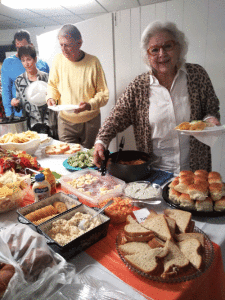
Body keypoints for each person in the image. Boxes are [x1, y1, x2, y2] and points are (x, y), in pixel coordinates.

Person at [94, 21, 220, 174]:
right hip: (154, 171)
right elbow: (115, 118)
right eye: (154, 49)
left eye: (168, 46)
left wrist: (209, 120)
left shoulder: (197, 75)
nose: (162, 54)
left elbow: (211, 108)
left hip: (195, 170)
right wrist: (101, 142)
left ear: (179, 47)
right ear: (147, 55)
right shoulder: (138, 86)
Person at [46, 24, 109, 149]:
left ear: (79, 43)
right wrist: (51, 98)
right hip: (66, 122)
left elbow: (103, 93)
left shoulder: (93, 62)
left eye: (67, 45)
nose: (63, 49)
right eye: (61, 45)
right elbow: (52, 85)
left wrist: (89, 104)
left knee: (89, 158)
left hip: (90, 122)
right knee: (67, 156)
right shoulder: (58, 60)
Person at [1, 30, 49, 118]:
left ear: (30, 46)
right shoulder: (8, 63)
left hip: (43, 112)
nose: (20, 51)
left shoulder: (42, 64)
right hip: (20, 113)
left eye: (23, 47)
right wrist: (9, 114)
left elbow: (52, 89)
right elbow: (6, 90)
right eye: (18, 48)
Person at [12, 45, 50, 134]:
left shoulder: (47, 77)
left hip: (49, 123)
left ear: (35, 59)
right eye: (23, 60)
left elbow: (56, 100)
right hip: (30, 124)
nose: (26, 63)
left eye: (29, 59)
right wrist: (15, 103)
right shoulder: (19, 80)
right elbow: (20, 103)